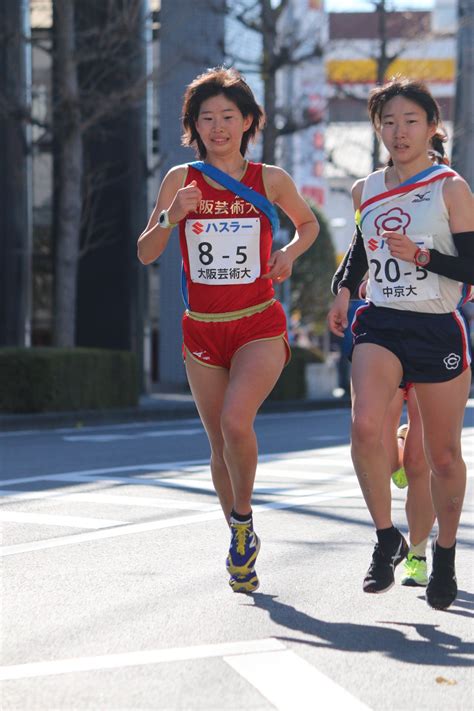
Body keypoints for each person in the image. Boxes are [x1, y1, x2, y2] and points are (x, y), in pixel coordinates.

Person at [137, 67, 319, 594]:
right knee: (219, 444)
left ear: (247, 122)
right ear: (193, 125)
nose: (217, 127)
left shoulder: (272, 179)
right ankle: (241, 535)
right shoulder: (180, 179)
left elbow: (307, 225)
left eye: (228, 117)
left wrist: (288, 252)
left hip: (258, 325)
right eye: (206, 118)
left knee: (238, 421)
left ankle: (242, 518)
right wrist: (171, 218)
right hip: (203, 331)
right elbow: (146, 251)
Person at [328, 77, 473, 609]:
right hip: (381, 320)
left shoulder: (451, 187)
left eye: (410, 121)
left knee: (440, 457)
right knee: (366, 423)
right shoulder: (365, 189)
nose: (398, 131)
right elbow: (362, 251)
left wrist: (422, 257)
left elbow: (472, 266)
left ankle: (446, 553)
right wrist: (343, 290)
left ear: (432, 127)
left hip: (437, 326)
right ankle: (385, 536)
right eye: (388, 122)